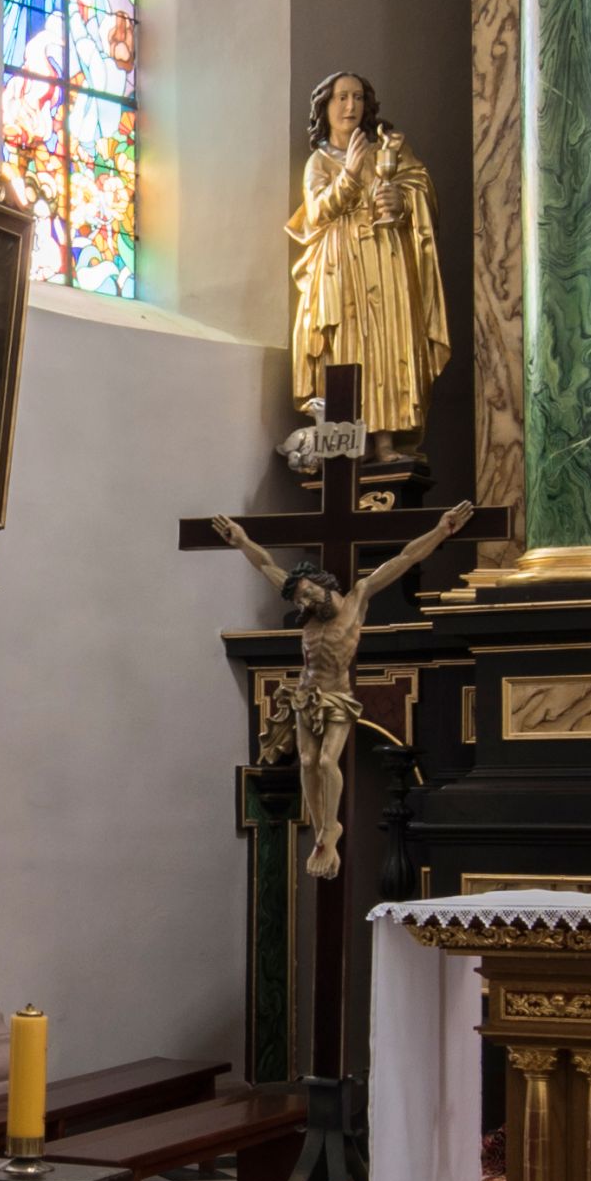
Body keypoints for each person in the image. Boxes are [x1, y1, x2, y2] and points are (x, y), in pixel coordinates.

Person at [212, 501, 475, 875]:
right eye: (298, 599)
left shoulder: (357, 599)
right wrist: (242, 541)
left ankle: (331, 826)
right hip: (305, 695)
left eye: (307, 593)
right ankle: (324, 830)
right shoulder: (307, 614)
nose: (304, 602)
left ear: (322, 583)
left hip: (337, 696)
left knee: (325, 761)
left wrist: (440, 530)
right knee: (306, 762)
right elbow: (266, 564)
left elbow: (404, 559)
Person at [288, 71, 452, 439]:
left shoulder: (387, 151)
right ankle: (345, 444)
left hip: (386, 259)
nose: (351, 106)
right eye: (342, 97)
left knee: (389, 344)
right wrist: (349, 173)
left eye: (358, 97)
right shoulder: (319, 162)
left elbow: (419, 186)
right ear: (325, 107)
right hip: (341, 264)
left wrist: (402, 201)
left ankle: (386, 440)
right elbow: (317, 211)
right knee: (347, 346)